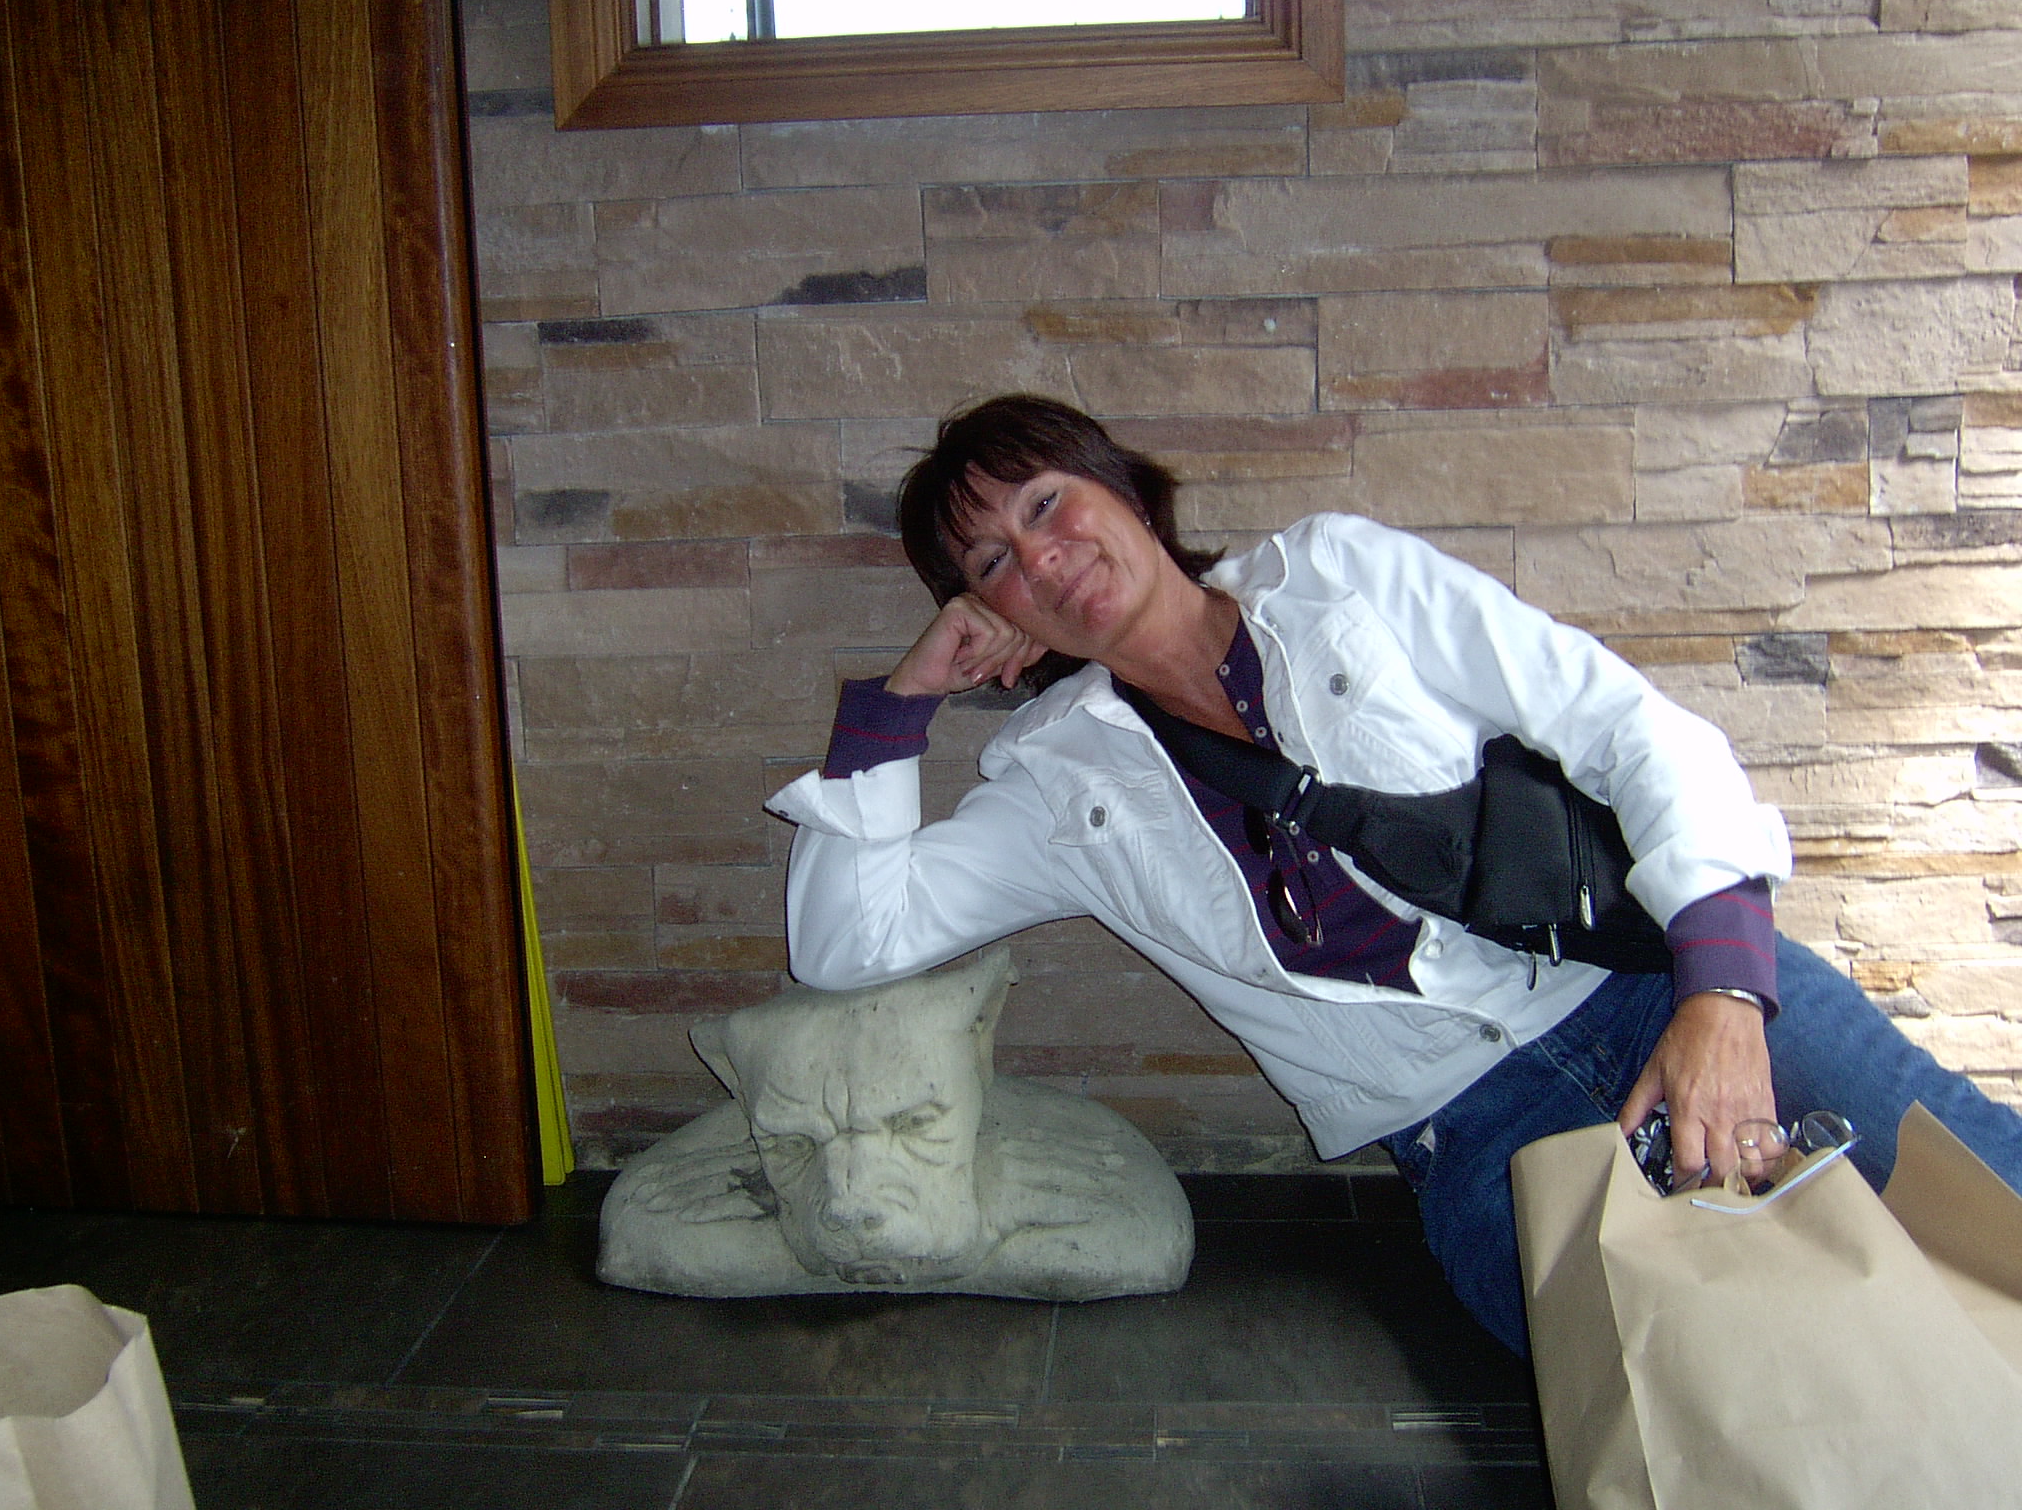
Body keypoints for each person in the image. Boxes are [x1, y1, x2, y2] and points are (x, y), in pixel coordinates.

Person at [765, 393, 2022, 1353]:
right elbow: (846, 942)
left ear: (1123, 490)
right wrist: (899, 704)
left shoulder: (1337, 578)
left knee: (1992, 1217)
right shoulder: (1054, 777)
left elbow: (1626, 730)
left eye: (1044, 505)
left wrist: (1723, 997)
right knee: (1730, 1394)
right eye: (989, 562)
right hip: (1479, 1138)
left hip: (1657, 986)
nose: (1038, 559)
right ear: (995, 617)